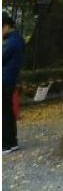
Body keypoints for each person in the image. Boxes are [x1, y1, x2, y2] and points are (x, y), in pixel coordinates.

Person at [3, 12, 25, 154]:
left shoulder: (11, 42)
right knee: (7, 111)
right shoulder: (16, 39)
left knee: (4, 112)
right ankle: (12, 142)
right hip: (9, 78)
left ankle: (6, 143)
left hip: (5, 79)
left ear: (5, 26)